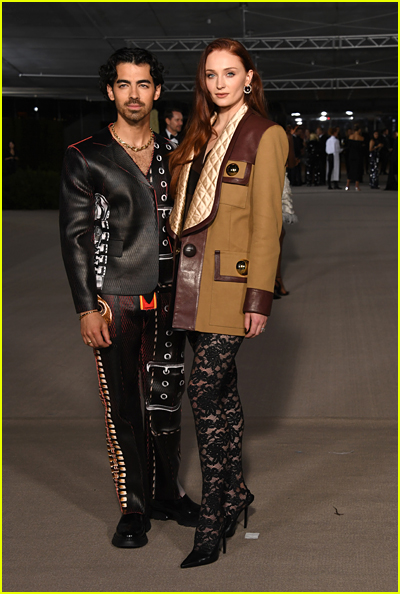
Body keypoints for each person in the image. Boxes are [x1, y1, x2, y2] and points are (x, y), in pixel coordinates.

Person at [59, 47, 199, 550]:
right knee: (124, 406)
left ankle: (168, 494)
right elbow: (75, 238)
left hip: (171, 296)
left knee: (164, 401)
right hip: (114, 298)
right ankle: (134, 507)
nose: (134, 94)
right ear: (111, 90)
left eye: (143, 85)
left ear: (157, 92)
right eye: (124, 84)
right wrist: (84, 305)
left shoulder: (177, 152)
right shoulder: (86, 154)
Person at [167, 38, 288, 568]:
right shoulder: (198, 132)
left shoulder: (265, 134)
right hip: (188, 285)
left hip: (230, 289)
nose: (219, 83)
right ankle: (237, 493)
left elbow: (267, 226)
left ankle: (213, 517)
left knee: (202, 389)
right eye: (211, 74)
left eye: (229, 73)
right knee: (224, 397)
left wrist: (258, 298)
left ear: (249, 78)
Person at [345, 125, 365, 191]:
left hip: (351, 155)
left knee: (350, 170)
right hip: (358, 156)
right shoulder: (361, 138)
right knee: (358, 170)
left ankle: (347, 185)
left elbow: (348, 147)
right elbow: (362, 148)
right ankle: (357, 186)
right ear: (359, 130)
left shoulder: (350, 137)